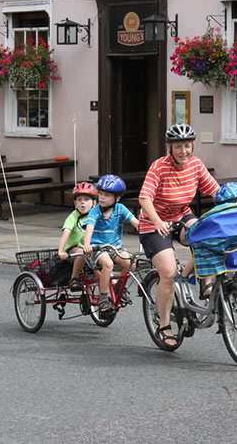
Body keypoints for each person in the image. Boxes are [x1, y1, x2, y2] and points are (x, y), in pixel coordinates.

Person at [138, 122, 219, 348]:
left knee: (204, 236)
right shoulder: (159, 167)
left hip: (181, 215)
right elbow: (144, 199)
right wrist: (157, 221)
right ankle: (164, 326)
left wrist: (233, 203)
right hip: (153, 224)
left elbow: (215, 192)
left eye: (187, 146)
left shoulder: (196, 165)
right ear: (169, 148)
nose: (184, 151)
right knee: (168, 273)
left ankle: (205, 282)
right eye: (178, 146)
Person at [83, 174, 139, 313]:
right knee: (108, 264)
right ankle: (103, 298)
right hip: (97, 248)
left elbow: (135, 222)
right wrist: (87, 244)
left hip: (115, 246)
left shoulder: (120, 209)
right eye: (100, 193)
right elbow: (89, 227)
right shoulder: (95, 211)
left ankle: (119, 287)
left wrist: (148, 230)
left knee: (131, 263)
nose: (102, 197)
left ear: (117, 198)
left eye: (107, 195)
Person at [57, 182, 98, 291]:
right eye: (79, 200)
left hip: (92, 249)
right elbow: (66, 232)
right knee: (82, 253)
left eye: (86, 199)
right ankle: (74, 278)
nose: (82, 202)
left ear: (94, 202)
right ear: (75, 202)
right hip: (74, 250)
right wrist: (61, 251)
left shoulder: (96, 215)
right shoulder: (74, 216)